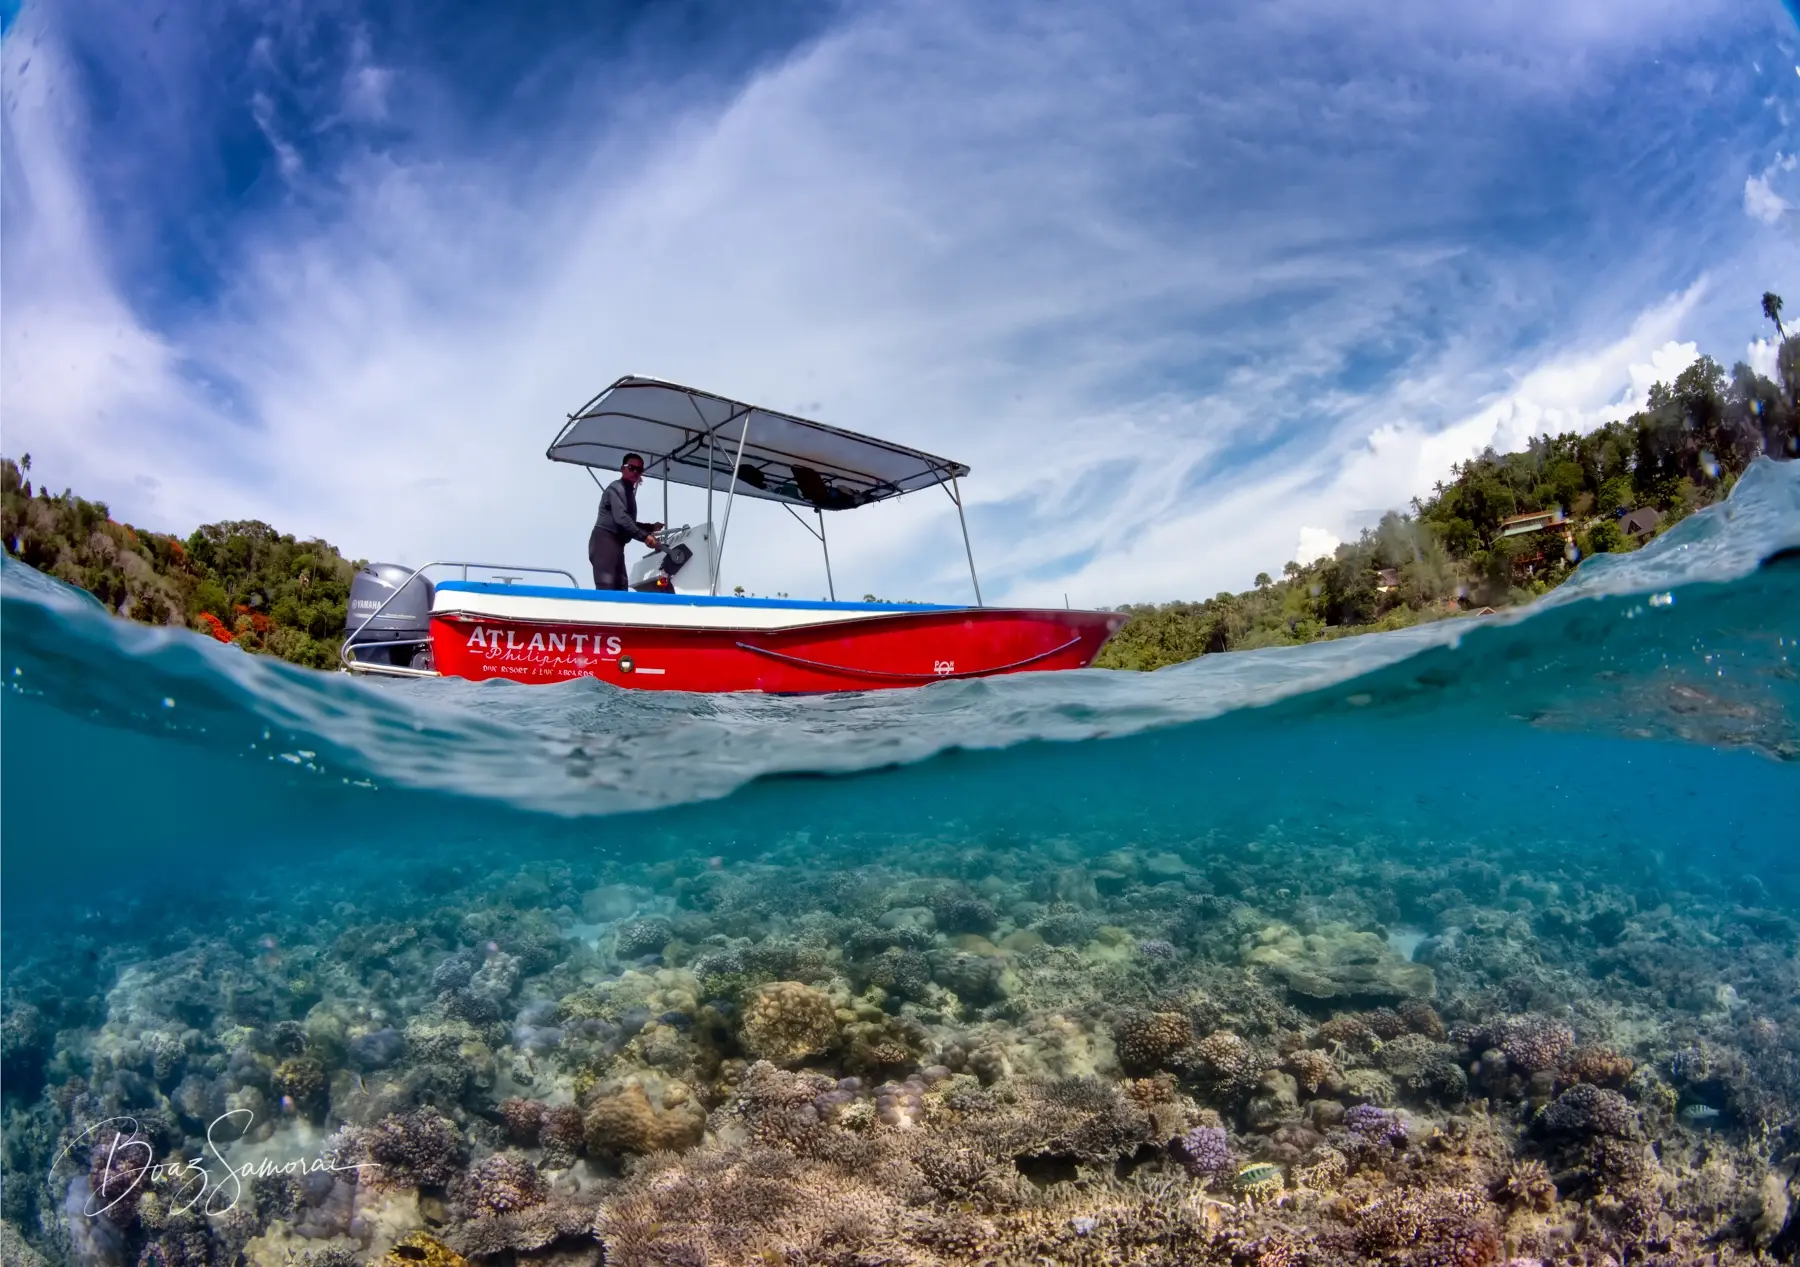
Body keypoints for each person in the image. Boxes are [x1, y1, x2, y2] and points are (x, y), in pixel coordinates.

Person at [589, 454, 664, 590]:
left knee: (621, 587)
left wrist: (650, 527)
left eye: (639, 470)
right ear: (622, 469)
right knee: (607, 587)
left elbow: (628, 522)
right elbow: (622, 519)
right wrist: (645, 537)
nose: (635, 472)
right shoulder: (616, 488)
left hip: (617, 545)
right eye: (631, 468)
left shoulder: (628, 492)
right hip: (604, 542)